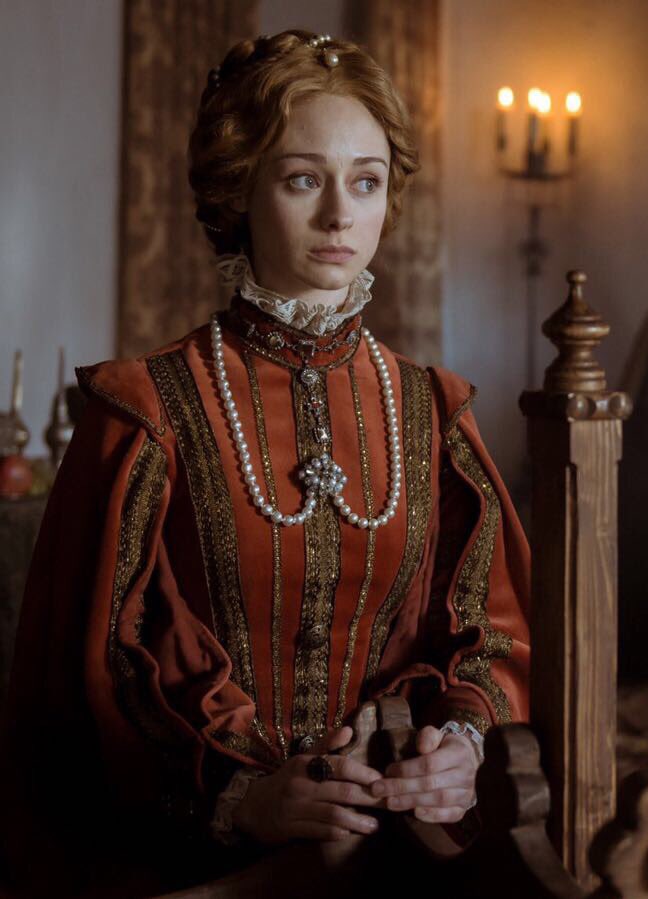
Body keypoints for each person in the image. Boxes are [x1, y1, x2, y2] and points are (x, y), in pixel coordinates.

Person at [0, 29, 530, 899]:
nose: (340, 215)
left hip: (395, 848)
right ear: (238, 187)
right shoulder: (146, 411)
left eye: (366, 181)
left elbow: (490, 632)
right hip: (185, 853)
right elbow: (94, 674)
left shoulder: (434, 411)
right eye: (302, 179)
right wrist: (243, 797)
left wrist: (461, 745)